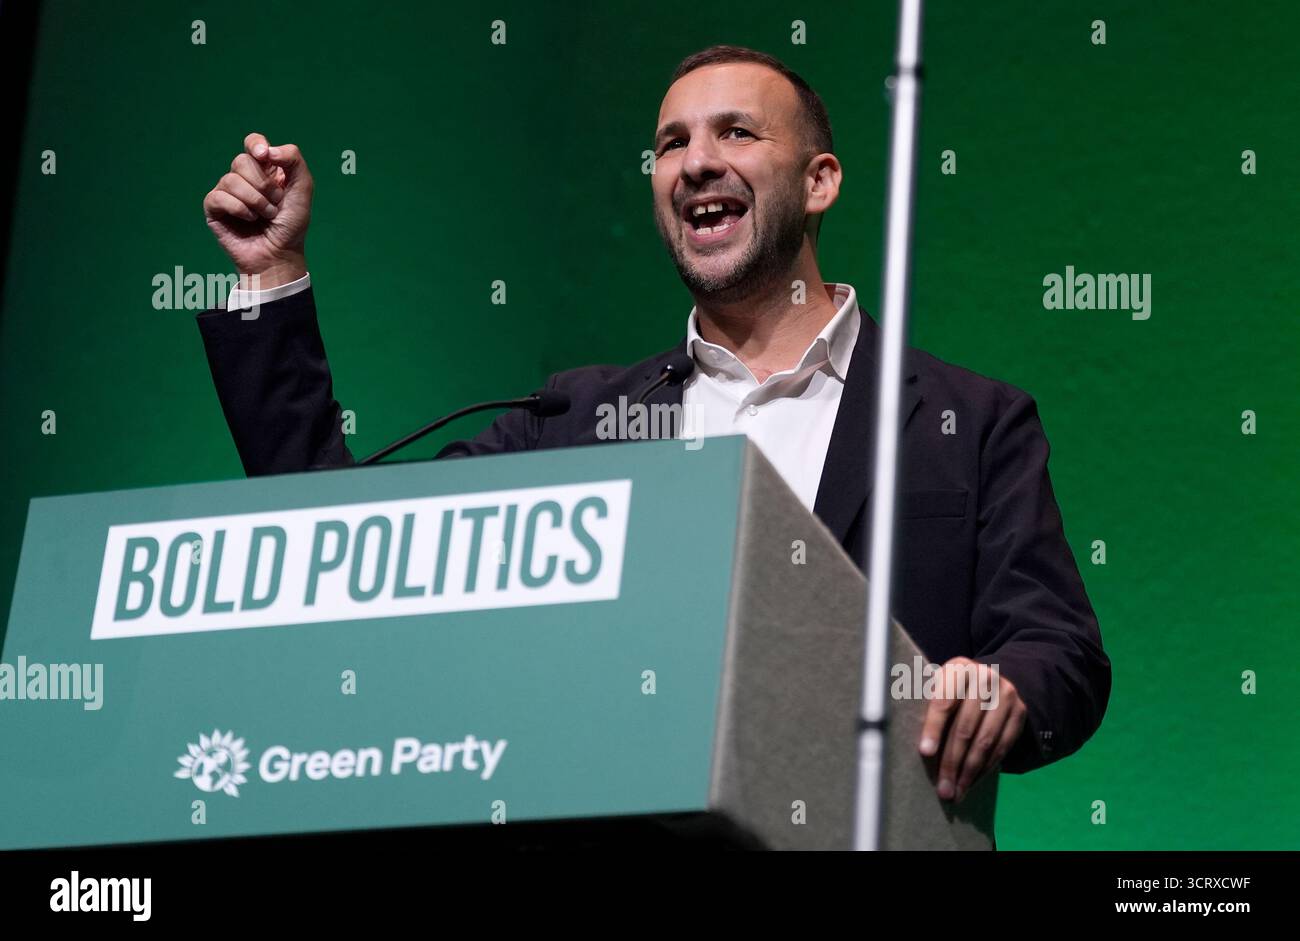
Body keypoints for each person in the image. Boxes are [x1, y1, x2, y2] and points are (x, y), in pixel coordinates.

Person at [198, 45, 1110, 807]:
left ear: (820, 181)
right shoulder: (575, 420)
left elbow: (1063, 654)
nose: (695, 163)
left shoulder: (971, 421)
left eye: (736, 133)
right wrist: (271, 274)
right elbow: (341, 534)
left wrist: (1004, 690)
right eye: (672, 143)